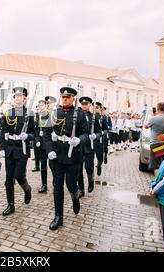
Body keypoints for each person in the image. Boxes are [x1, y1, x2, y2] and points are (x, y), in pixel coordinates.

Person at [44, 87, 88, 230]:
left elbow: (85, 134)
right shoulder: (54, 113)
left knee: (70, 185)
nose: (64, 99)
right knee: (57, 187)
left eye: (68, 97)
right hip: (56, 156)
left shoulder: (80, 114)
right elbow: (46, 134)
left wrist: (79, 140)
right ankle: (58, 217)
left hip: (73, 156)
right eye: (63, 97)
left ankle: (75, 197)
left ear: (73, 99)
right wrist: (49, 150)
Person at [0, 87, 35, 216]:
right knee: (8, 178)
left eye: (20, 96)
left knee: (19, 176)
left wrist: (28, 136)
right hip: (9, 149)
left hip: (22, 149)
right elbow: (3, 132)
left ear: (25, 99)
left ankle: (27, 188)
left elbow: (33, 133)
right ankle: (10, 205)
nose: (17, 98)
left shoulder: (29, 113)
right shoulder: (9, 112)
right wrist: (2, 148)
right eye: (15, 96)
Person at [144, 102, 164, 175]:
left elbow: (146, 126)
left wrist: (153, 116)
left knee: (156, 166)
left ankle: (157, 182)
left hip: (156, 144)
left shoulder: (154, 118)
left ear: (158, 109)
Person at [35, 96, 56, 193]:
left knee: (52, 165)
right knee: (43, 165)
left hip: (52, 145)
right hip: (43, 144)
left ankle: (55, 181)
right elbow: (37, 130)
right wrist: (37, 139)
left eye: (50, 103)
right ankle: (44, 185)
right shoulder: (41, 115)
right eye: (47, 103)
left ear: (54, 104)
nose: (48, 105)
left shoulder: (57, 115)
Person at [78, 96, 98, 196]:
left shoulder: (94, 116)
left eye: (86, 104)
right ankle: (81, 189)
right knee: (78, 169)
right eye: (83, 104)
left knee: (88, 167)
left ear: (90, 105)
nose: (84, 106)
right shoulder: (77, 115)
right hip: (79, 145)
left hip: (89, 145)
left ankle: (91, 180)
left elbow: (100, 131)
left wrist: (96, 135)